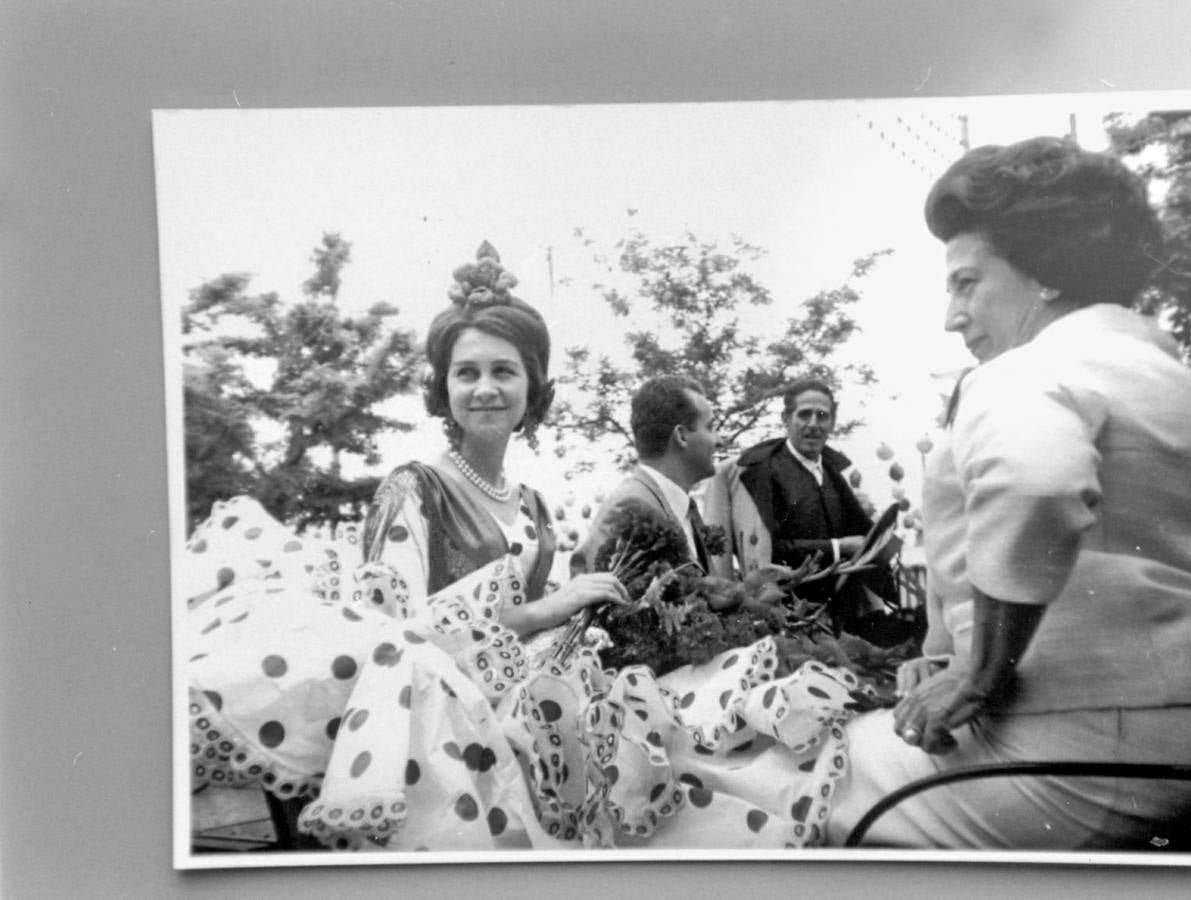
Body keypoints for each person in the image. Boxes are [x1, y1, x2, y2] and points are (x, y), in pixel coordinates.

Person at [183, 242, 865, 853]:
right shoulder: (414, 491)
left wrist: (585, 626)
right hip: (443, 728)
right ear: (442, 388)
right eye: (466, 372)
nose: (485, 389)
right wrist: (550, 610)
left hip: (536, 708)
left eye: (504, 371)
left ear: (532, 387)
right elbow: (396, 642)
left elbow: (539, 634)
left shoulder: (534, 506)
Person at [825, 137, 1191, 850]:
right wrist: (952, 652)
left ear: (1044, 275)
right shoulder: (1176, 385)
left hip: (1070, 754)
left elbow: (1035, 481)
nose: (952, 316)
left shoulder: (1026, 371)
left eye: (967, 282)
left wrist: (980, 671)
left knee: (782, 779)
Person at [703, 380, 908, 643]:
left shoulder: (833, 474)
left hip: (846, 617)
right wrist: (838, 547)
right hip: (787, 619)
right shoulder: (762, 473)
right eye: (804, 414)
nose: (813, 423)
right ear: (786, 419)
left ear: (832, 422)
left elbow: (868, 536)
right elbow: (772, 552)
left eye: (822, 415)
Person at [570, 375, 719, 577]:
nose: (718, 441)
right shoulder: (631, 508)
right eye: (710, 427)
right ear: (681, 436)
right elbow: (597, 602)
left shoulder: (682, 508)